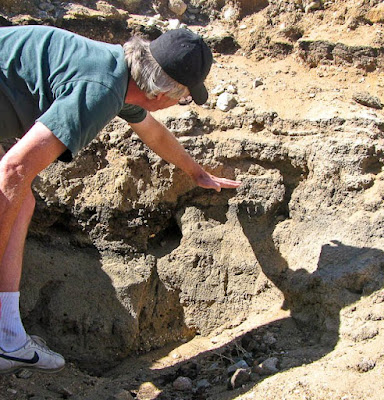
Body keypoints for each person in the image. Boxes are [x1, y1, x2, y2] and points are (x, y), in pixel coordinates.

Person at [0, 25, 241, 374]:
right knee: (14, 192)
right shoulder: (101, 90)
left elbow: (153, 131)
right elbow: (14, 169)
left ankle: (7, 338)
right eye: (186, 97)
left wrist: (195, 171)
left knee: (21, 202)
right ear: (162, 94)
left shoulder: (121, 72)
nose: (180, 104)